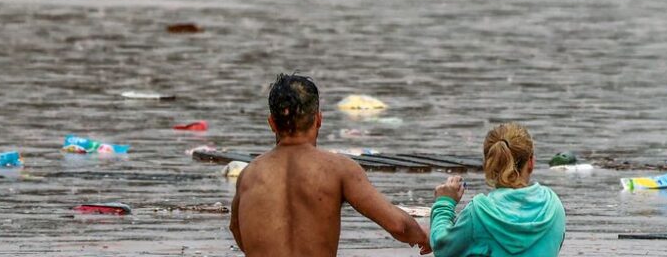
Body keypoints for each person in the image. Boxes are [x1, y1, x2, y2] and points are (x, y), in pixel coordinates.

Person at [230, 73, 430, 257]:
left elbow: (236, 229)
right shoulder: (338, 169)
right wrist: (426, 235)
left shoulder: (249, 174)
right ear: (318, 120)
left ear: (272, 122)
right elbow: (398, 226)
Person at [429, 123, 565, 257]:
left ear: (488, 164)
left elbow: (442, 247)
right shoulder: (553, 206)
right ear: (531, 162)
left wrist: (444, 203)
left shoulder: (478, 212)